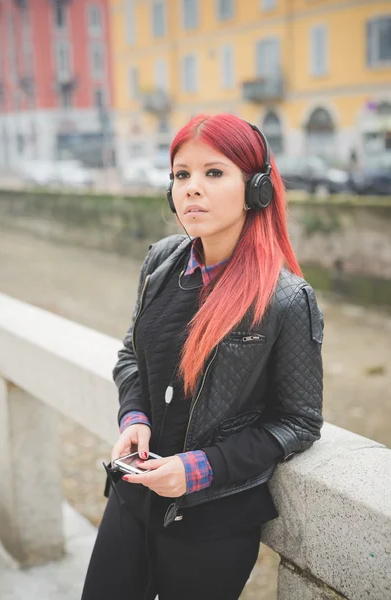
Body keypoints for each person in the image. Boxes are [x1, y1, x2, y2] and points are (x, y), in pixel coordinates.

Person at [81, 113, 324, 600]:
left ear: (256, 189)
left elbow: (298, 421)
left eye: (214, 173)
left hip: (212, 525)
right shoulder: (161, 261)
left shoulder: (284, 299)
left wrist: (197, 469)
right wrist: (134, 417)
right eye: (181, 175)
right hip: (132, 498)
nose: (192, 188)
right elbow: (131, 355)